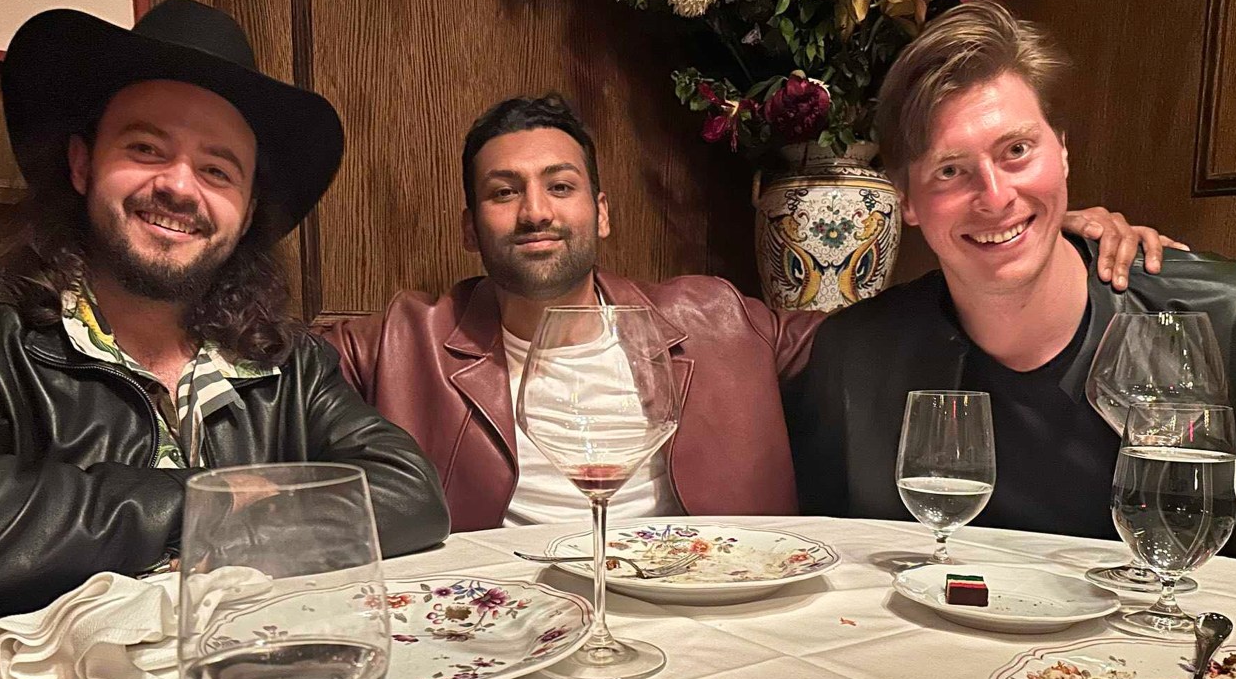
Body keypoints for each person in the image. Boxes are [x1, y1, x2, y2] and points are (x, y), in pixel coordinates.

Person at [0, 0, 449, 679]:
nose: (179, 186)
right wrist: (212, 503)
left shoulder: (287, 361)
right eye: (146, 149)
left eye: (218, 170)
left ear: (244, 215)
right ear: (83, 163)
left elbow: (411, 493)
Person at [320, 94, 1178, 532]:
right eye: (504, 194)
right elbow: (255, 360)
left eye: (561, 186)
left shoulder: (717, 320)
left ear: (603, 211)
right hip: (506, 635)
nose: (537, 211)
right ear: (472, 227)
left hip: (712, 626)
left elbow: (898, 329)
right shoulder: (403, 342)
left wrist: (1032, 243)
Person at [787, 0, 1236, 566]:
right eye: (950, 170)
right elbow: (834, 560)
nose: (995, 197)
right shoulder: (853, 358)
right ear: (907, 201)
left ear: (1062, 152)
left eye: (1016, 151)